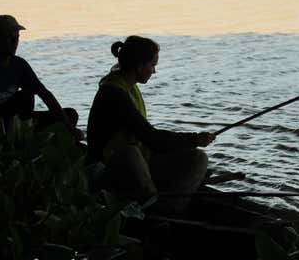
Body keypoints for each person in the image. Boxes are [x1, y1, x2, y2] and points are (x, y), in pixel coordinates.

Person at [86, 35, 215, 204]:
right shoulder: (113, 94)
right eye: (153, 65)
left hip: (135, 164)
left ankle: (167, 206)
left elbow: (149, 138)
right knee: (130, 153)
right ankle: (153, 208)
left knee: (198, 158)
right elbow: (151, 138)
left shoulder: (128, 89)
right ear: (139, 66)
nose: (154, 71)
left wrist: (190, 142)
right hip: (105, 169)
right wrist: (194, 138)